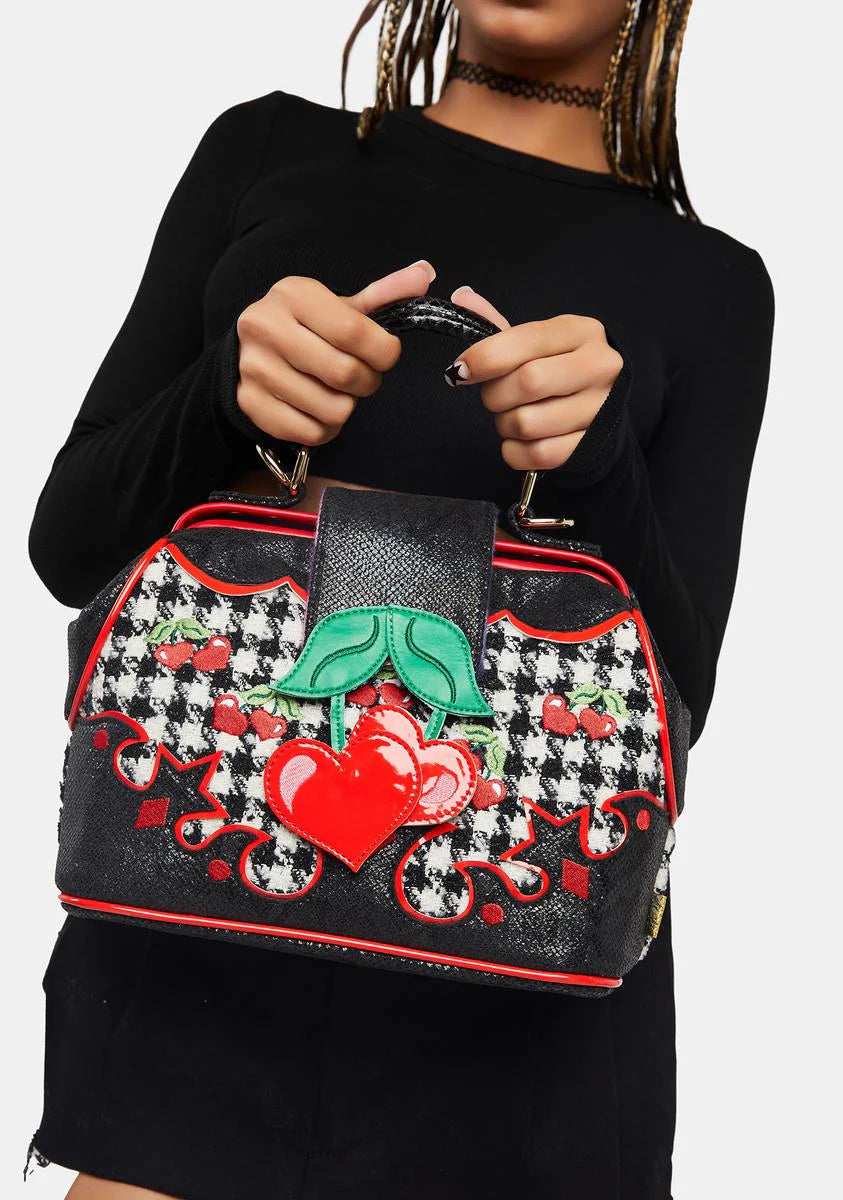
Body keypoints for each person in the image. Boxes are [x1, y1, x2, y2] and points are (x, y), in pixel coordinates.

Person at [28, 1, 774, 1197]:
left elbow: (674, 709)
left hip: (525, 1009)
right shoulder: (267, 149)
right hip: (200, 947)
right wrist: (225, 395)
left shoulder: (713, 284)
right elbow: (70, 548)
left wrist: (598, 471)